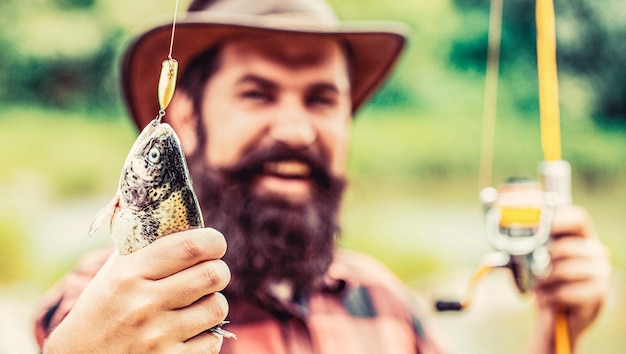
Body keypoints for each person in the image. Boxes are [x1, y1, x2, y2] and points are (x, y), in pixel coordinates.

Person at [33, 0, 611, 353]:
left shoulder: (383, 299)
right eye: (257, 93)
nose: (298, 129)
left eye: (322, 99)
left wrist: (554, 329)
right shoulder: (106, 304)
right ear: (184, 114)